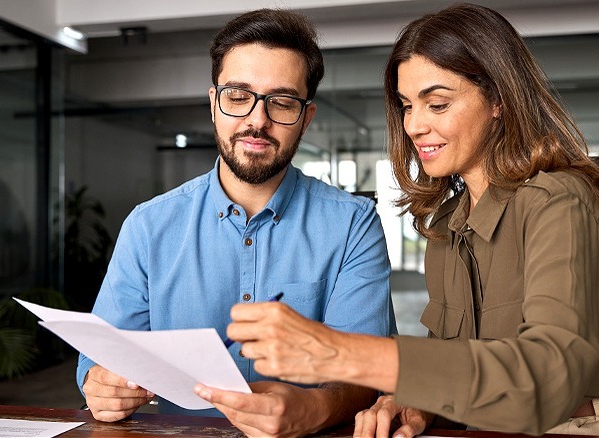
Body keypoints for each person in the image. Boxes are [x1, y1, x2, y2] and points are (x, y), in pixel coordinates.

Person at [221, 3, 599, 437]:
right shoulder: (446, 226)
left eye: (437, 103)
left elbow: (547, 381)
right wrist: (418, 401)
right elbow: (468, 369)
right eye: (406, 106)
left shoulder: (561, 200)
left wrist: (338, 352)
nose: (414, 125)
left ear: (499, 99)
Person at [76, 8, 396, 437]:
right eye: (238, 95)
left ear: (307, 117)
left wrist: (313, 407)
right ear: (214, 104)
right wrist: (100, 385)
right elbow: (101, 357)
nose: (257, 120)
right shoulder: (149, 227)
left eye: (282, 102)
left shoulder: (352, 226)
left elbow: (368, 370)